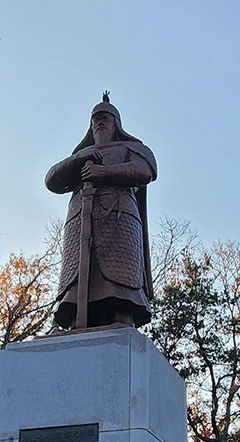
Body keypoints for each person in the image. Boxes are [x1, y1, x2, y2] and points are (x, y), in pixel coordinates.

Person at [46, 93, 157, 328]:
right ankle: (77, 316)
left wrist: (104, 172)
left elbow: (145, 171)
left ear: (116, 122)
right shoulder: (81, 156)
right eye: (95, 118)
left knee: (120, 270)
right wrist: (78, 158)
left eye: (106, 117)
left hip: (118, 214)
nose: (100, 122)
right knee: (78, 271)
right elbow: (52, 181)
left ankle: (122, 312)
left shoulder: (131, 147)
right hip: (80, 216)